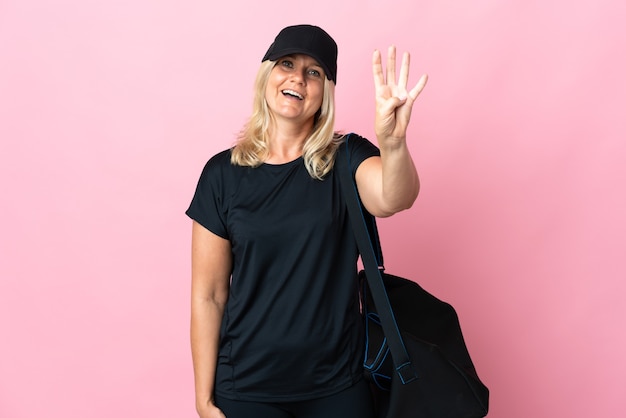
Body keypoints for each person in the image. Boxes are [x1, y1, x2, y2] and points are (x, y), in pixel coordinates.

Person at [186, 24, 428, 418]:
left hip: (336, 388)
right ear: (268, 74)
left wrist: (394, 144)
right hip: (246, 388)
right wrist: (203, 399)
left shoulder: (347, 158)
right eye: (287, 64)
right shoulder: (221, 175)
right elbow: (208, 295)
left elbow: (394, 197)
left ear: (325, 91)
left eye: (314, 71)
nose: (297, 78)